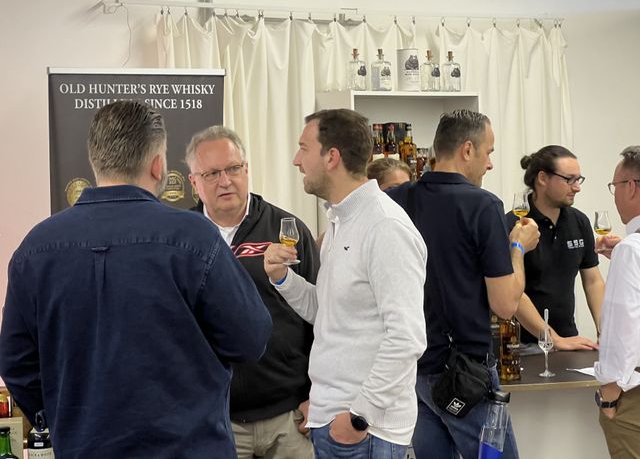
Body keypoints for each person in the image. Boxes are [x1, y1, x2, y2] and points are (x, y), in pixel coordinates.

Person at [0, 101, 272, 458]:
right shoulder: (194, 238)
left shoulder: (36, 247)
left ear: (95, 161)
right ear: (158, 165)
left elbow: (16, 363)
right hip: (188, 448)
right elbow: (250, 339)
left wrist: (63, 416)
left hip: (85, 448)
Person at [263, 108, 427, 459]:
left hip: (364, 432)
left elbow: (407, 337)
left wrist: (358, 417)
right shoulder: (341, 220)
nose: (296, 160)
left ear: (331, 157)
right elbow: (329, 312)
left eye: (303, 148)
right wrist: (283, 278)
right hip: (335, 422)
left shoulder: (385, 227)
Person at [387, 109, 540, 459]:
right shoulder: (482, 205)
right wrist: (518, 248)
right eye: (488, 153)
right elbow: (505, 305)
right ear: (467, 150)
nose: (490, 164)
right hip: (464, 373)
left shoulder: (397, 199)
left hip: (413, 369)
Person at [185, 125, 319, 459]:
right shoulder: (180, 239)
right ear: (193, 182)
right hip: (214, 420)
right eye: (212, 173)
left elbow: (322, 319)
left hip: (290, 416)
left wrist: (317, 393)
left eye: (233, 168)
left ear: (246, 169)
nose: (225, 181)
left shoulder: (288, 230)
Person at [505, 145, 604, 350]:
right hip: (523, 346)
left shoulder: (579, 222)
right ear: (542, 178)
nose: (577, 187)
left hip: (568, 340)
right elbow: (512, 292)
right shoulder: (513, 225)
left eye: (578, 180)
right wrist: (554, 339)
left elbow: (593, 280)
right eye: (569, 179)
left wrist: (604, 330)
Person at [593, 146, 640, 457]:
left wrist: (609, 396)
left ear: (631, 187)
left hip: (634, 397)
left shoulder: (631, 250)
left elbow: (623, 328)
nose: (614, 196)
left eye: (615, 186)